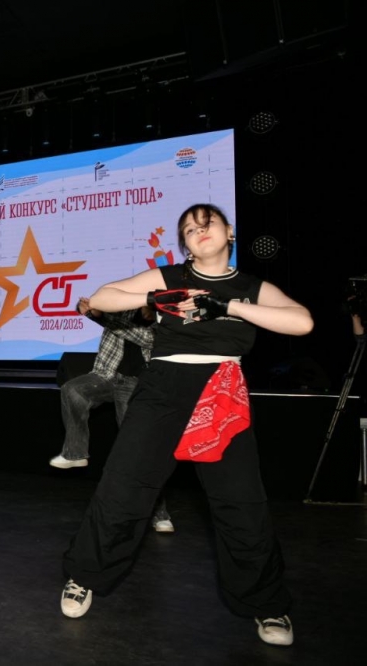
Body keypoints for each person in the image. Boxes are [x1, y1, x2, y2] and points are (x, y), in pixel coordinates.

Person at [59, 204, 313, 647]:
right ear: (185, 245)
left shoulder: (250, 286)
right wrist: (153, 299)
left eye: (207, 223)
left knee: (240, 501)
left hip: (221, 391)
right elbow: (101, 298)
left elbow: (302, 321)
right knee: (123, 486)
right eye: (190, 229)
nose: (199, 231)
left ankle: (266, 602)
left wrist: (227, 306)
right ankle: (85, 576)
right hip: (163, 386)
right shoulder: (170, 276)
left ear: (229, 231)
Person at [51, 297, 174, 532]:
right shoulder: (122, 313)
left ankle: (160, 513)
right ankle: (75, 452)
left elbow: (145, 338)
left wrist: (99, 317)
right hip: (106, 376)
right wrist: (89, 311)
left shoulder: (163, 320)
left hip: (137, 385)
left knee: (139, 451)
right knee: (72, 389)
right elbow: (102, 315)